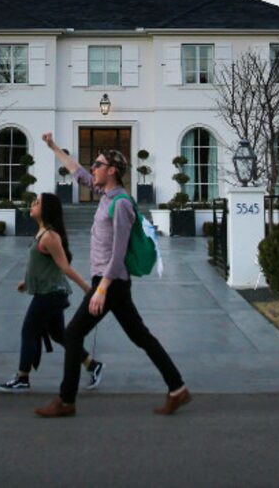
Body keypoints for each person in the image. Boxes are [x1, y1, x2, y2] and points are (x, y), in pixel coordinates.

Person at [35, 133, 189, 418]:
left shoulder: (121, 204)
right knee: (141, 336)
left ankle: (66, 400)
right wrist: (54, 147)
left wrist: (102, 289)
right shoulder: (104, 195)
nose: (93, 167)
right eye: (94, 164)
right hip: (111, 283)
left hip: (111, 281)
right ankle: (178, 389)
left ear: (112, 170)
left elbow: (118, 253)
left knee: (72, 334)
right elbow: (78, 172)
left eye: (99, 164)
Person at [0, 192, 105, 393]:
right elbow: (41, 266)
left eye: (37, 203)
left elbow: (64, 267)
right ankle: (92, 364)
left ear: (46, 210)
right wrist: (26, 282)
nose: (32, 205)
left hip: (51, 295)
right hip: (49, 292)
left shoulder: (50, 236)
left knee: (28, 331)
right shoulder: (41, 233)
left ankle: (22, 377)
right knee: (60, 335)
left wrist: (89, 290)